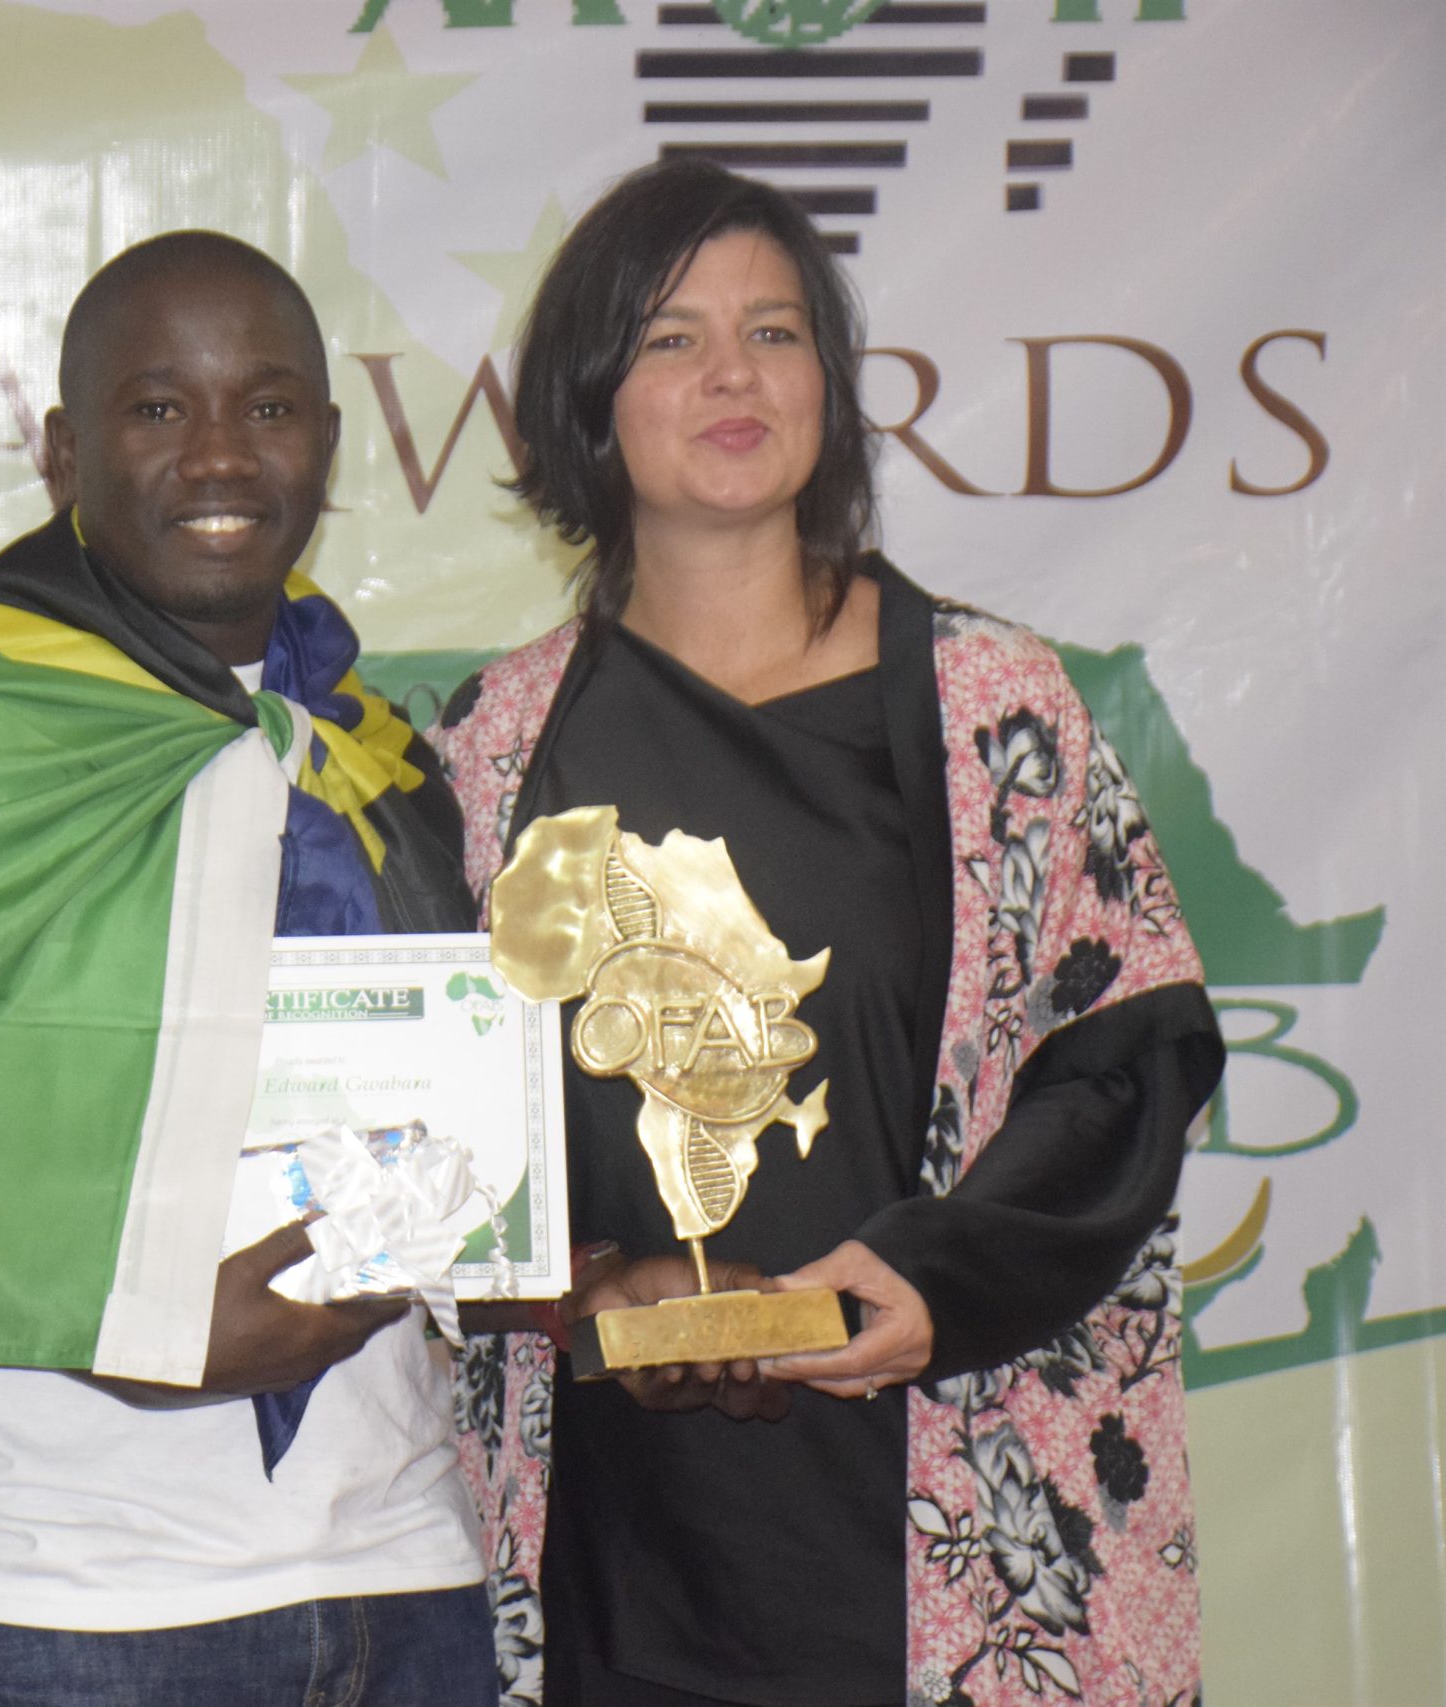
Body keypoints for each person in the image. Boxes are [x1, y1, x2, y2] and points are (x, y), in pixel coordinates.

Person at [431, 160, 1225, 1707]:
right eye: (670, 340)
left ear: (832, 392)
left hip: (957, 1512)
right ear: (587, 405)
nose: (733, 375)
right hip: (622, 1555)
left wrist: (940, 1272)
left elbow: (1123, 1060)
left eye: (776, 333)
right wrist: (590, 1290)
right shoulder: (492, 748)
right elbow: (436, 1147)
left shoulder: (998, 709)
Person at [0, 232, 496, 1706]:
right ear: (63, 449)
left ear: (328, 446)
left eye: (268, 408)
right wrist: (135, 1321)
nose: (219, 455)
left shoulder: (372, 752)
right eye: (159, 410)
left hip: (400, 1561)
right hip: (69, 1595)